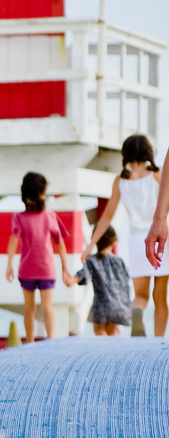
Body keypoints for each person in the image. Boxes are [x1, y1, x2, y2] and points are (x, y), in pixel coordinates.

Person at [90, 134, 165, 337]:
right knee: (160, 297)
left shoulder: (120, 181)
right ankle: (158, 341)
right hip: (159, 238)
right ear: (148, 152)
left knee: (140, 296)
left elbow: (107, 217)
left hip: (136, 241)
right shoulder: (158, 175)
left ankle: (137, 310)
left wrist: (91, 244)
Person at [4, 170, 76, 343]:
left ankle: (29, 341)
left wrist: (9, 265)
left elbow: (13, 240)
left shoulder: (19, 217)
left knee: (29, 309)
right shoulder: (50, 216)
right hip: (46, 268)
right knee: (47, 307)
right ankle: (50, 340)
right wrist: (66, 268)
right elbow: (60, 243)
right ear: (43, 193)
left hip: (27, 268)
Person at [77, 226, 132, 337]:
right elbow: (125, 280)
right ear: (113, 242)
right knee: (112, 332)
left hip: (101, 304)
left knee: (99, 330)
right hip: (117, 304)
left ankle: (103, 352)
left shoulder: (93, 259)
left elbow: (83, 274)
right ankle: (113, 353)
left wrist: (71, 280)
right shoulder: (119, 261)